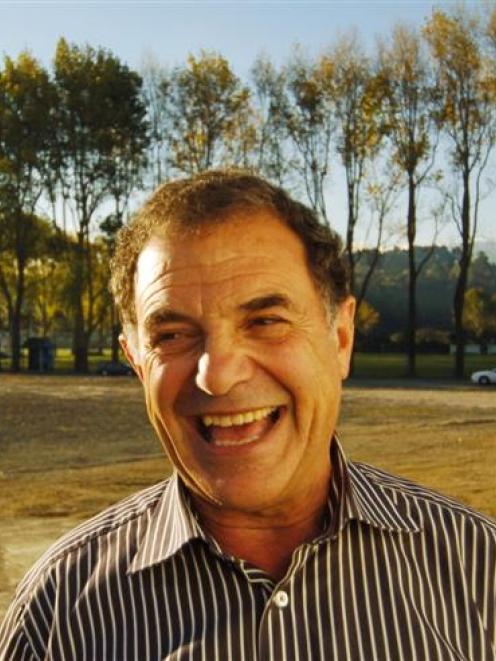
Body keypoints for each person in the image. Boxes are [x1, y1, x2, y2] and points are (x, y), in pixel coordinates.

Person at [1, 170, 495, 661]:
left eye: (265, 322)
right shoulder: (57, 615)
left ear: (341, 339)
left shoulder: (479, 569)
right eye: (172, 335)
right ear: (136, 362)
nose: (217, 376)